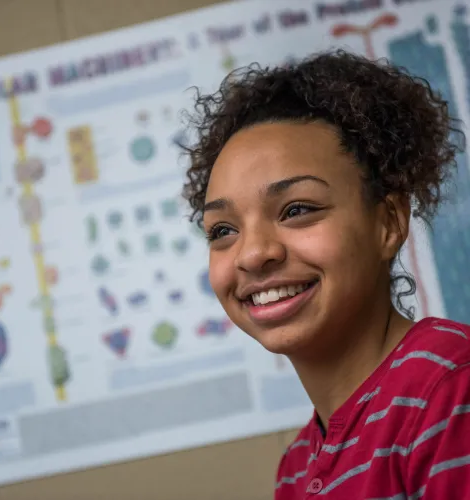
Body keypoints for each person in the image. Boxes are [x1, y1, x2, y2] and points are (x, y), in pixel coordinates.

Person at [182, 50, 470, 499]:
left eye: (296, 209)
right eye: (223, 230)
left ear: (389, 222)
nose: (254, 254)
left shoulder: (448, 385)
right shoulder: (295, 471)